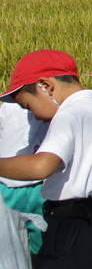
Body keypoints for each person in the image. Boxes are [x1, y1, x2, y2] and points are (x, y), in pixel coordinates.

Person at [0, 50, 92, 268]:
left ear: (46, 86)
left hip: (71, 225)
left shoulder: (68, 114)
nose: (34, 116)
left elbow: (41, 166)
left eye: (28, 106)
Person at [0, 101, 49, 258]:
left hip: (32, 186)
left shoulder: (7, 106)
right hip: (23, 185)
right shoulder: (57, 104)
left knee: (10, 246)